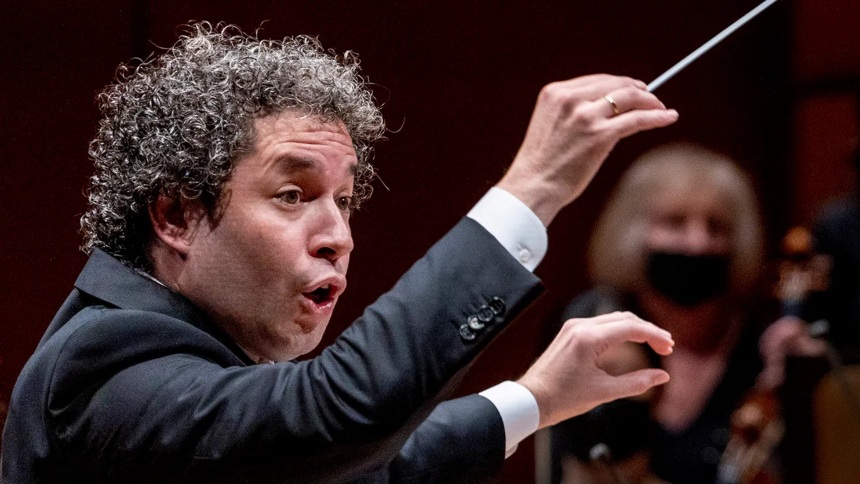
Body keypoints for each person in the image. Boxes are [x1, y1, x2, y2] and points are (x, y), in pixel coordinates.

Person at [0, 22, 678, 483]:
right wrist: (534, 187)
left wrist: (535, 398)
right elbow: (333, 412)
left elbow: (367, 467)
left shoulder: (192, 366)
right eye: (292, 195)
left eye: (344, 199)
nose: (339, 235)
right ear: (177, 216)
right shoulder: (104, 366)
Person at [544, 143, 769, 484]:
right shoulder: (593, 327)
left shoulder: (762, 346)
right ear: (632, 233)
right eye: (675, 223)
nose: (697, 243)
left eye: (716, 226)